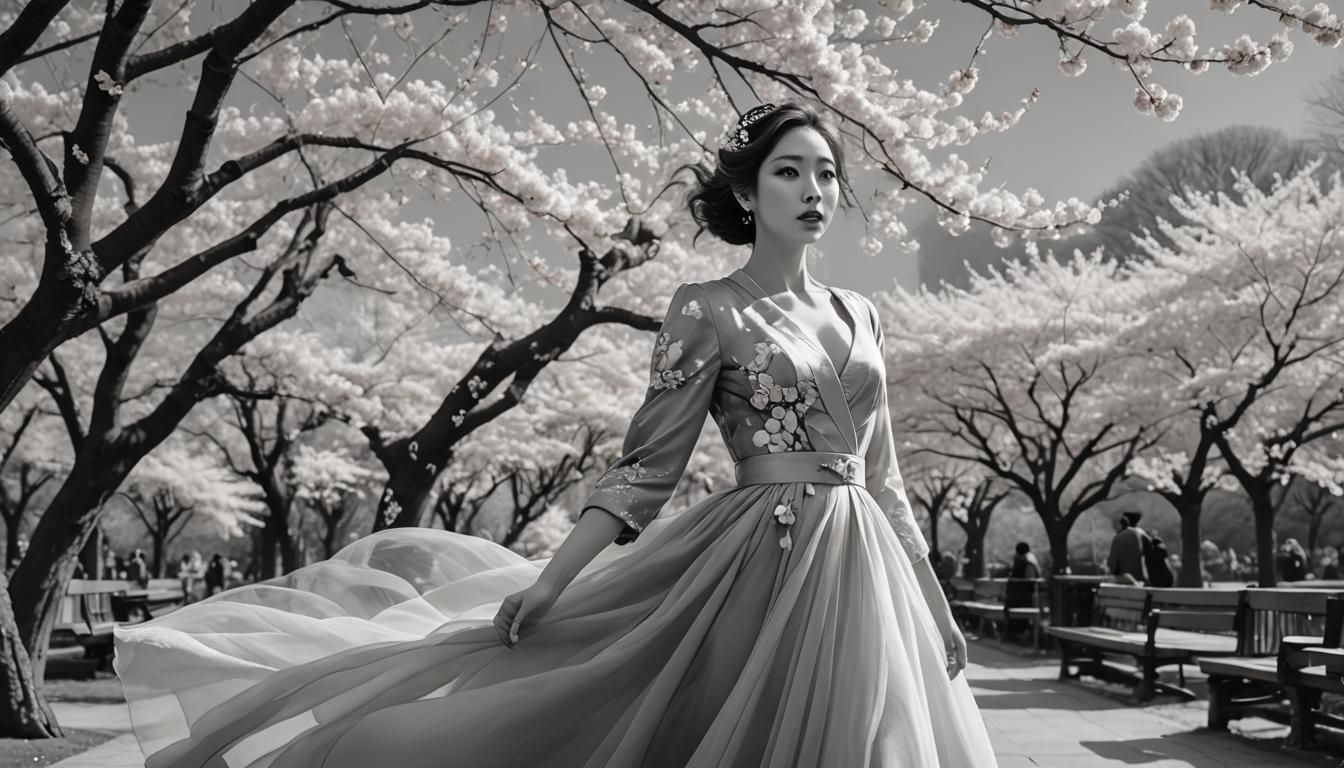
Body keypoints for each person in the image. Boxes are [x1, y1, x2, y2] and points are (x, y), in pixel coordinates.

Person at [112, 102, 999, 767]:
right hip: (760, 560)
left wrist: (933, 599)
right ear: (745, 190)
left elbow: (883, 476)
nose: (815, 191)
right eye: (790, 172)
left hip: (867, 566)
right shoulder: (708, 308)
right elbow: (644, 470)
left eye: (828, 174)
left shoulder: (864, 315)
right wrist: (553, 581)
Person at [1107, 511, 1152, 585]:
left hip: (1127, 579)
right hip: (1145, 578)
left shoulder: (1119, 537)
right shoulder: (1143, 534)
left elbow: (1113, 563)